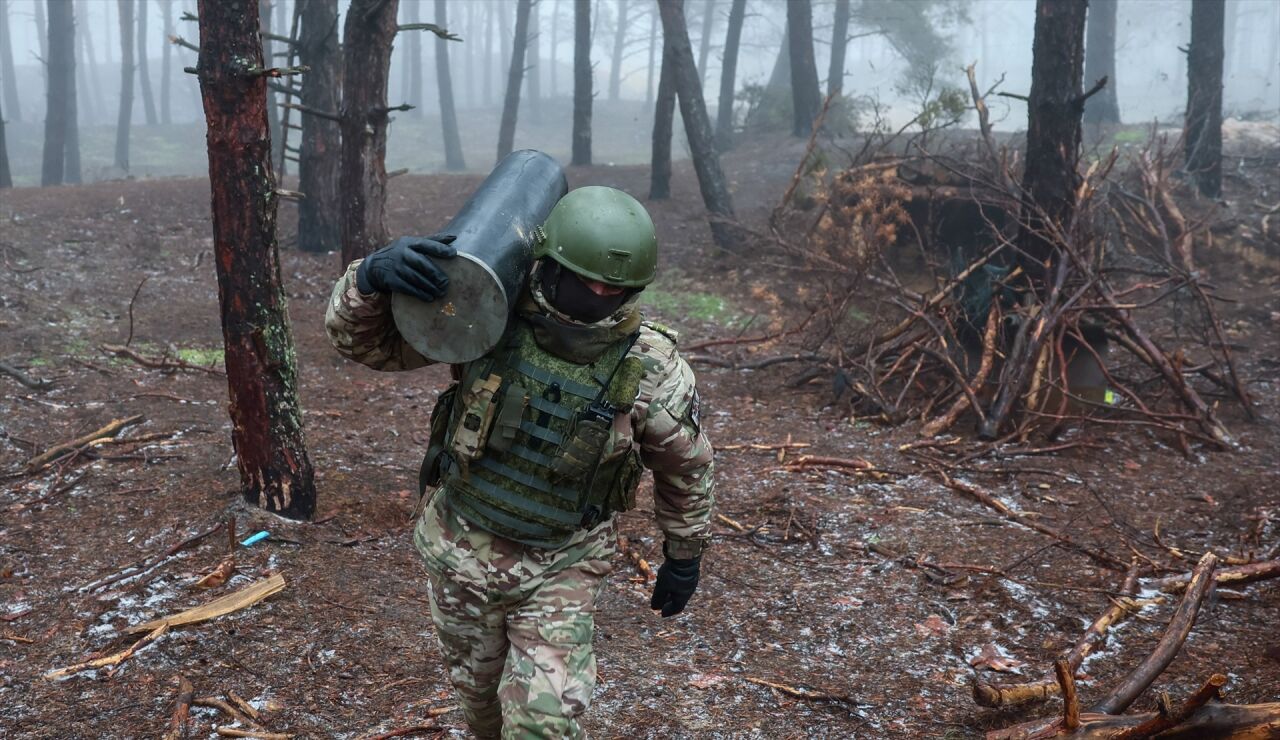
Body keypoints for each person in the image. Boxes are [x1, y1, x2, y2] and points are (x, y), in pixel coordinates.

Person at [324, 185, 715, 738]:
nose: (599, 293)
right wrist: (368, 280)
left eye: (615, 288)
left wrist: (684, 555)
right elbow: (367, 346)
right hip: (461, 547)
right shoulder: (489, 313)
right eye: (587, 280)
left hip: (563, 563)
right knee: (480, 706)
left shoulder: (650, 366)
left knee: (545, 724)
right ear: (551, 263)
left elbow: (686, 465)